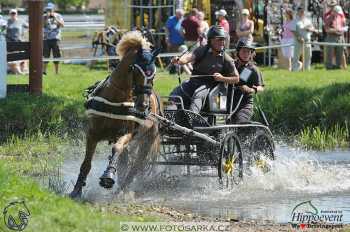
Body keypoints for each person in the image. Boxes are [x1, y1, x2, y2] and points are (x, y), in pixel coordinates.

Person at [170, 26, 239, 114]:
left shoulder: (227, 59)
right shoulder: (202, 50)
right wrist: (179, 60)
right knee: (176, 92)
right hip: (193, 82)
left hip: (212, 87)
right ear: (210, 40)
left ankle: (191, 119)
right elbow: (188, 57)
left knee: (198, 94)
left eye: (223, 39)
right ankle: (169, 118)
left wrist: (222, 78)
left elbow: (236, 79)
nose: (222, 42)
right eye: (219, 39)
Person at [229, 39, 264, 123]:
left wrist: (252, 90)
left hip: (244, 105)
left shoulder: (252, 69)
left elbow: (261, 88)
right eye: (244, 51)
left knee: (239, 122)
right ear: (237, 52)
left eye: (248, 52)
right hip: (228, 103)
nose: (246, 54)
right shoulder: (231, 65)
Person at [291, 6, 315, 71]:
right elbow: (293, 30)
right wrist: (298, 37)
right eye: (301, 11)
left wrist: (309, 29)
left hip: (307, 41)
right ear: (298, 12)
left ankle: (307, 69)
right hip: (298, 41)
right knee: (296, 56)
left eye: (303, 11)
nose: (302, 13)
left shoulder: (308, 20)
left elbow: (313, 29)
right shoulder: (295, 20)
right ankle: (295, 69)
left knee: (308, 56)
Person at [43, 2, 64, 75]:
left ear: (53, 9)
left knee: (56, 55)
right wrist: (46, 18)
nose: (48, 11)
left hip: (56, 38)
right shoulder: (44, 16)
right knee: (45, 55)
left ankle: (56, 72)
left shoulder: (58, 16)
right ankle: (44, 71)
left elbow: (62, 25)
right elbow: (43, 25)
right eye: (47, 9)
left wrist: (55, 18)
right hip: (46, 39)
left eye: (50, 9)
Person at [324, 1, 346, 69]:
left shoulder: (340, 16)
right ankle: (329, 67)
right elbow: (326, 29)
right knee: (330, 53)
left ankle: (338, 66)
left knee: (340, 51)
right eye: (336, 12)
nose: (338, 13)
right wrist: (336, 30)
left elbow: (342, 25)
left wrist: (343, 29)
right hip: (331, 36)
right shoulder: (327, 17)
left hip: (340, 36)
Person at [6, 9, 29, 75]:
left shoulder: (21, 21)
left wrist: (25, 34)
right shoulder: (7, 22)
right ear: (9, 14)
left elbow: (28, 27)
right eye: (12, 13)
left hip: (19, 42)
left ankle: (22, 70)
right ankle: (16, 71)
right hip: (10, 43)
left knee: (22, 58)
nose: (13, 14)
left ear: (17, 14)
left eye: (14, 13)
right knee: (13, 58)